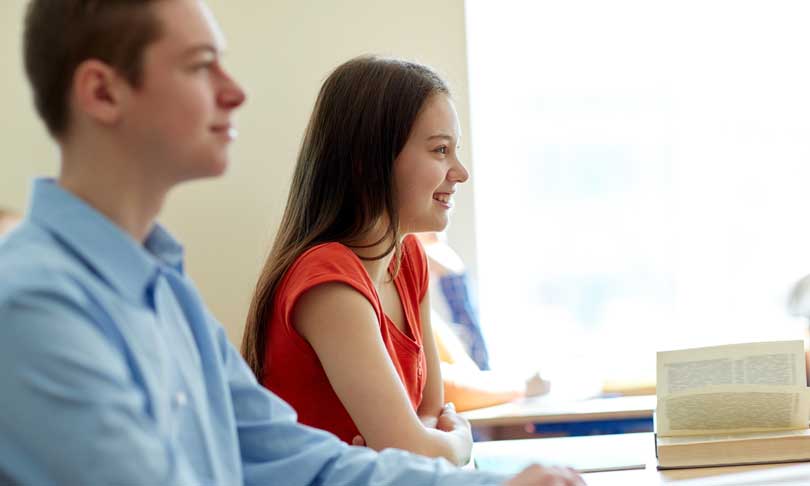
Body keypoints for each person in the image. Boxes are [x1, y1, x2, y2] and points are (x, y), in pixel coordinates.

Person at [0, 0, 584, 485]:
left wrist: (496, 484)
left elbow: (297, 455)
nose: (234, 93)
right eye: (202, 66)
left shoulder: (166, 291)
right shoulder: (30, 304)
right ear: (103, 93)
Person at [243, 56, 478, 466]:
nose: (460, 172)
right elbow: (417, 449)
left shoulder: (410, 261)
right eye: (441, 150)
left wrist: (424, 445)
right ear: (370, 162)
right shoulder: (328, 281)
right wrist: (460, 444)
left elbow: (428, 418)